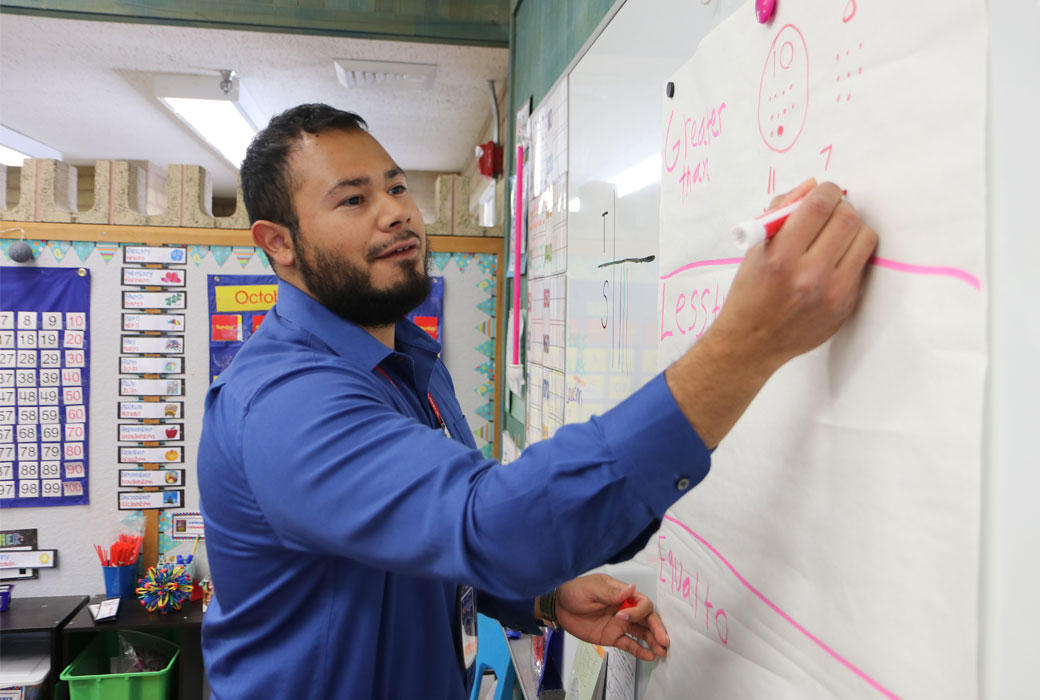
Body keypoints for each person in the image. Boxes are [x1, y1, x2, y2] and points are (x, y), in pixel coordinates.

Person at [197, 103, 877, 698]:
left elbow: (418, 539)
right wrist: (746, 344)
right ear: (278, 244)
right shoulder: (283, 405)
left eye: (397, 186)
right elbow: (485, 523)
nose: (396, 210)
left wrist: (540, 598)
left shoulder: (411, 360)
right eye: (353, 200)